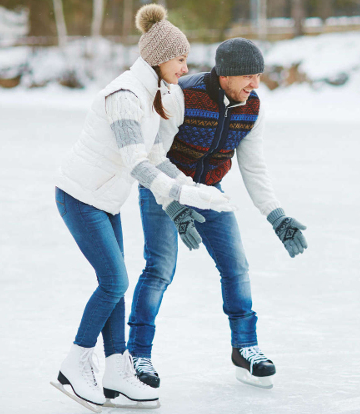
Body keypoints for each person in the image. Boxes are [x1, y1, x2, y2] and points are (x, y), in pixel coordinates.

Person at [51, 4, 233, 412]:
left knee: (118, 281)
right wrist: (183, 196)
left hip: (105, 199)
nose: (186, 67)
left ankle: (116, 369)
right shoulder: (124, 95)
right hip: (80, 195)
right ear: (159, 56)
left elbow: (154, 155)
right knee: (114, 282)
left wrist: (192, 186)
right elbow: (136, 164)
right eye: (181, 59)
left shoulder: (156, 94)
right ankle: (76, 361)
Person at [126, 38, 308, 389]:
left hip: (210, 192)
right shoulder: (182, 97)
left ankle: (245, 347)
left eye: (258, 76)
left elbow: (253, 169)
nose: (256, 85)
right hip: (164, 188)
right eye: (249, 77)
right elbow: (153, 155)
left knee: (236, 266)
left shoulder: (251, 107)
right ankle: (137, 353)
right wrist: (176, 201)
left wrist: (277, 216)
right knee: (160, 269)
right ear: (225, 75)